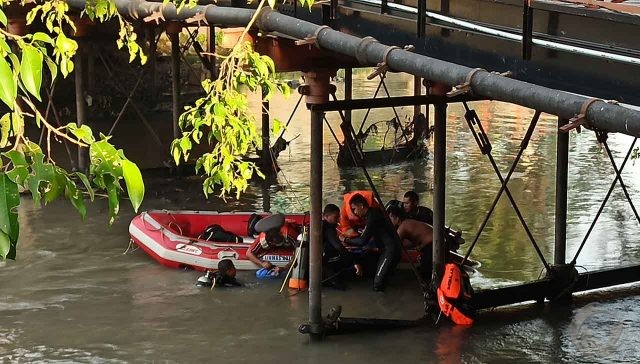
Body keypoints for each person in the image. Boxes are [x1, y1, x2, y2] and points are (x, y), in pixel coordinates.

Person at [343, 193, 399, 291]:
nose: (354, 212)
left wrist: (346, 240)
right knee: (380, 278)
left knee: (377, 284)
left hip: (389, 251)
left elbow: (362, 241)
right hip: (384, 249)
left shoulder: (373, 216)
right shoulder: (372, 214)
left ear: (361, 205)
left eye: (354, 209)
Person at [387, 205, 434, 281]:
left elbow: (394, 244)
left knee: (425, 274)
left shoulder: (403, 226)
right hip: (431, 242)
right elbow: (407, 243)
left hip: (433, 243)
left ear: (395, 217)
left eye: (389, 218)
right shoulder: (407, 222)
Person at [322, 204, 362, 289]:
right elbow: (338, 247)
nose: (338, 220)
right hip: (323, 262)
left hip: (322, 258)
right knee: (342, 287)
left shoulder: (319, 225)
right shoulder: (328, 228)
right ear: (326, 216)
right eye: (336, 217)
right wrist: (354, 262)